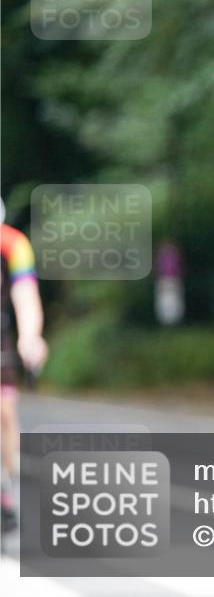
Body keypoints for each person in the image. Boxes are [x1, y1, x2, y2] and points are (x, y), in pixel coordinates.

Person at [0, 198, 49, 532]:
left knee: (5, 410)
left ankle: (8, 486)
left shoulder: (13, 243)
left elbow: (26, 293)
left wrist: (30, 336)